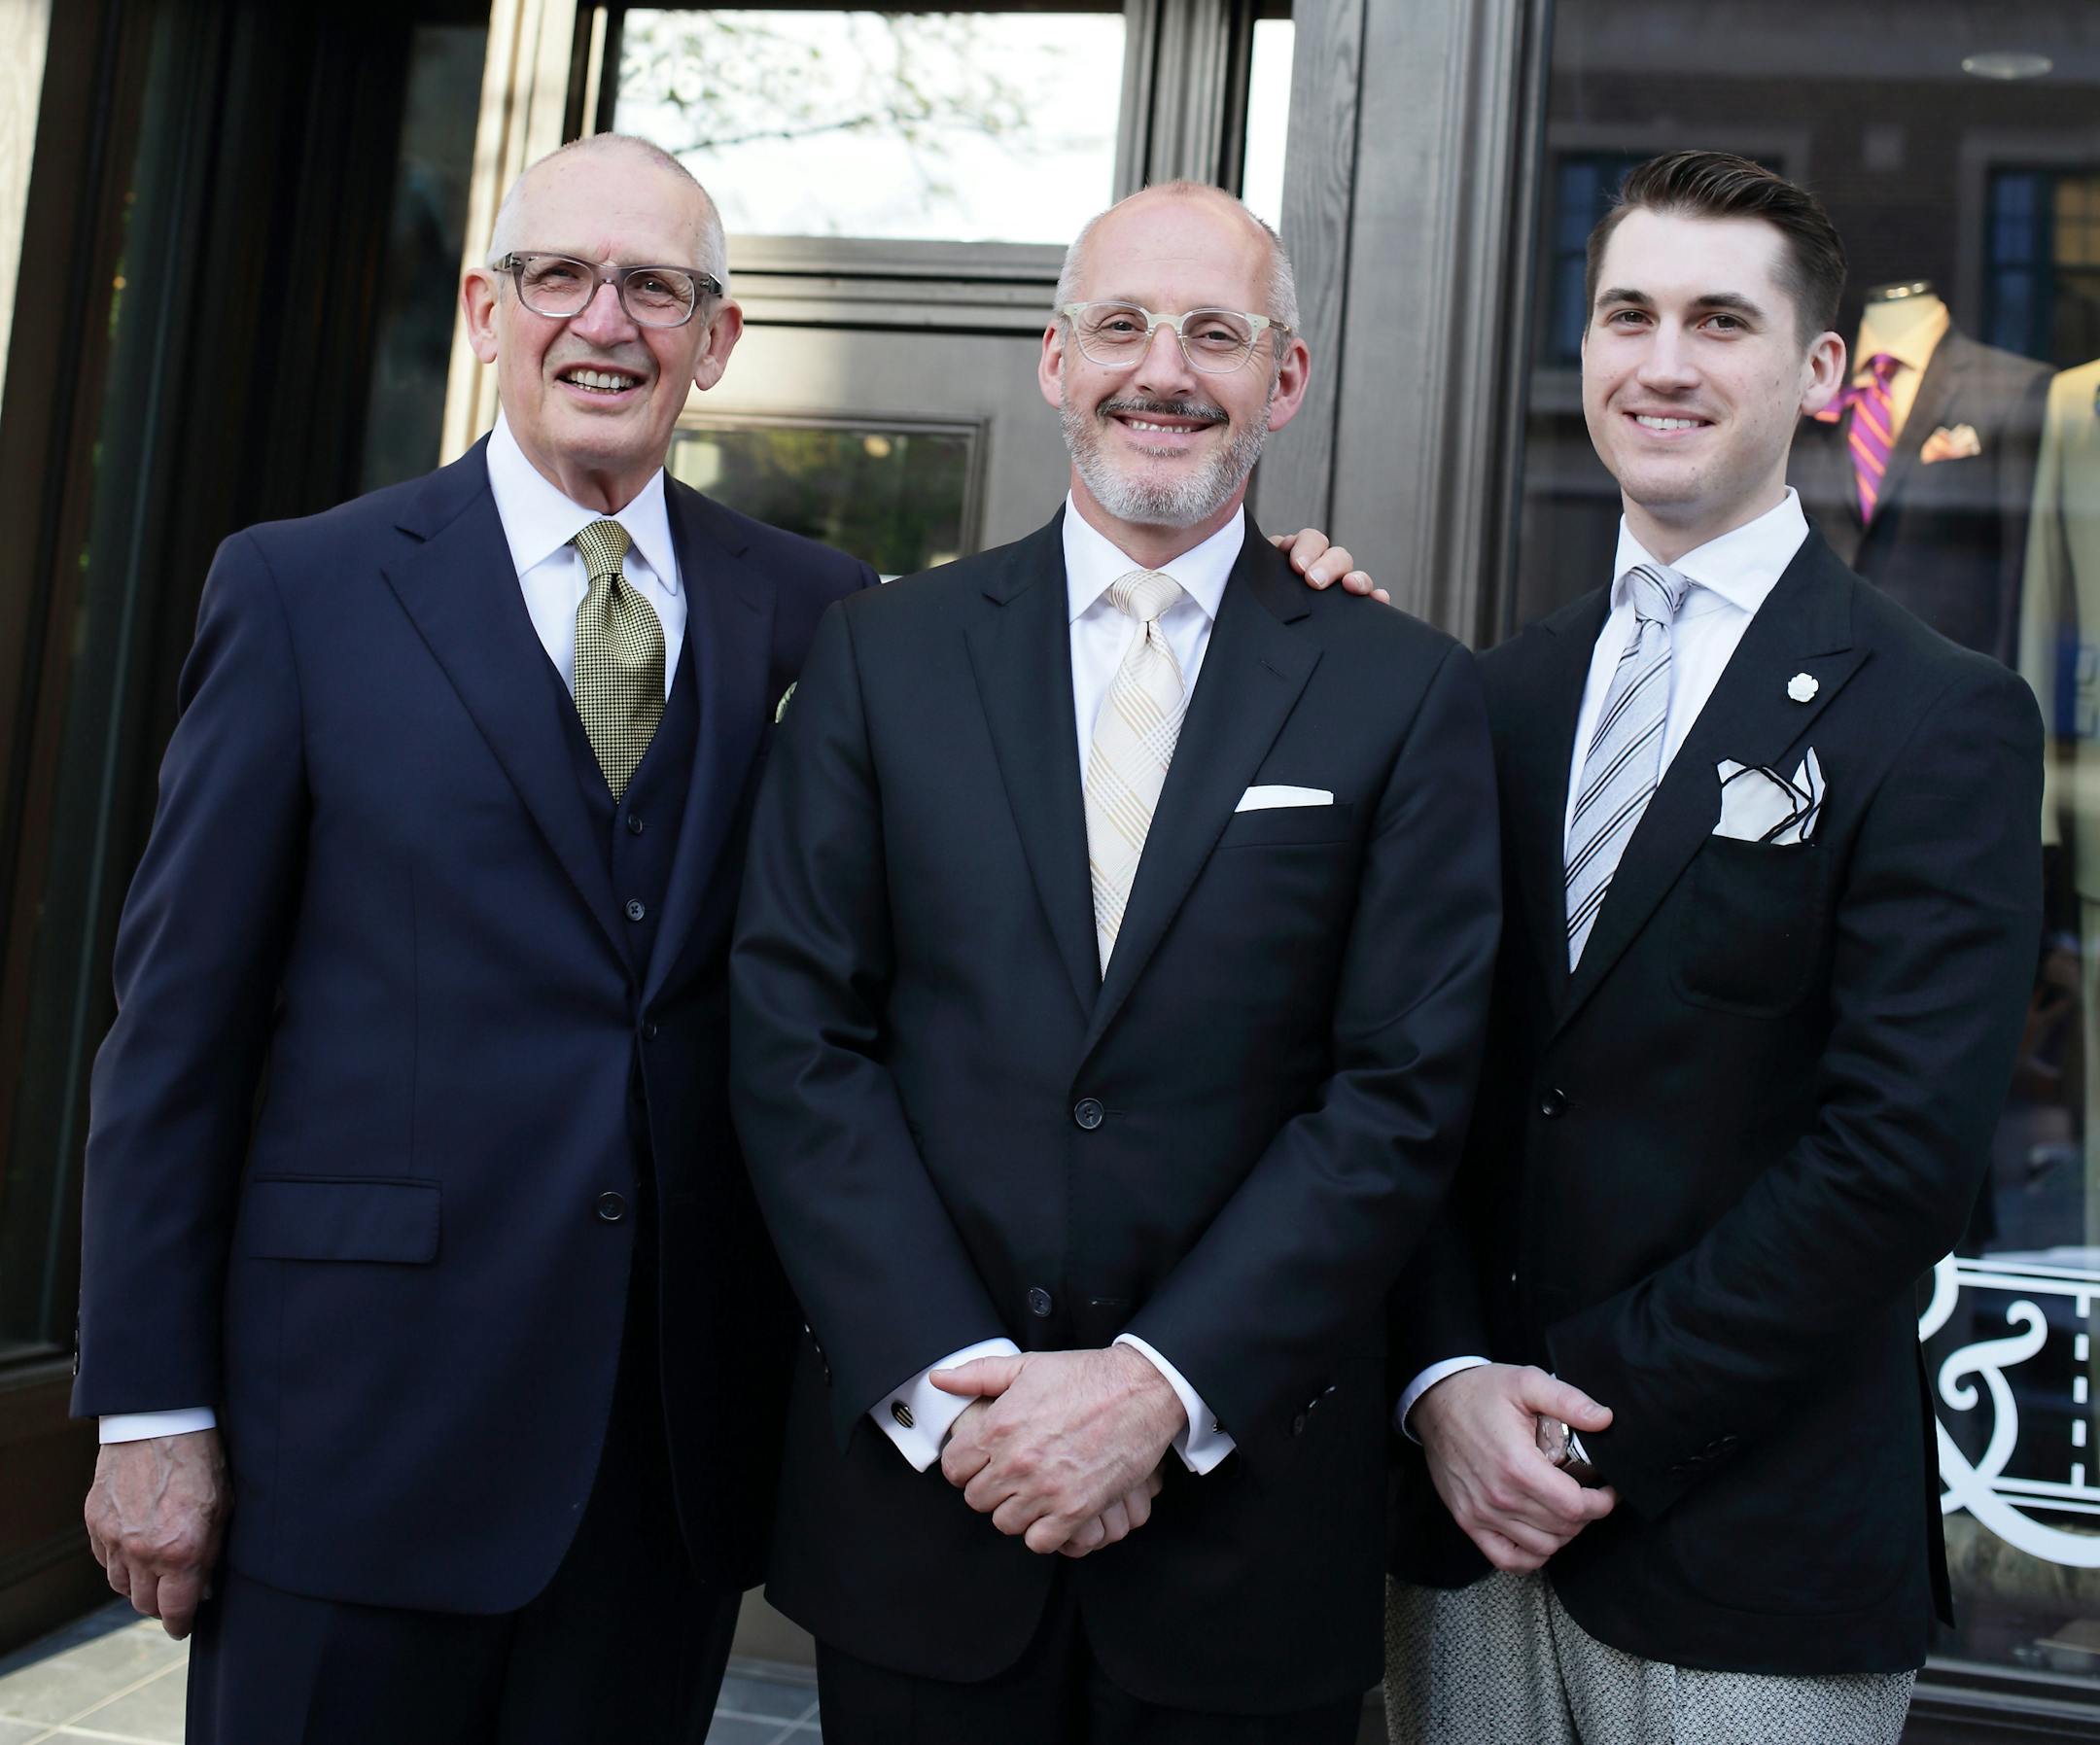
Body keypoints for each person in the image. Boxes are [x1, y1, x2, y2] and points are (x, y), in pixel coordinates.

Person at [72, 135, 1371, 1740]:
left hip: (666, 1460)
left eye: (659, 289)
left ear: (719, 339)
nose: (604, 322)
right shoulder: (301, 591)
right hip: (350, 1438)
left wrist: (1278, 611)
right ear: (487, 309)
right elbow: (175, 1029)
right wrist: (149, 1408)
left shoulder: (818, 612)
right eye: (561, 277)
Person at [728, 179, 1499, 1745]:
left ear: (1281, 381)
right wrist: (953, 1390)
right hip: (928, 1503)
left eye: (1216, 334)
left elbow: (1402, 1091)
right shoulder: (885, 654)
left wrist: (1158, 1387)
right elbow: (796, 1031)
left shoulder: (1402, 689)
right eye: (1124, 325)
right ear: (1054, 360)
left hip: (1246, 1529)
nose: (1166, 369)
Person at [1356, 151, 2042, 1744]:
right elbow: (1412, 1084)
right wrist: (1448, 1385)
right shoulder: (1490, 699)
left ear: (1816, 373)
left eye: (1720, 321)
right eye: (1627, 316)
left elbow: (1897, 1159)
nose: (1664, 363)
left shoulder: (1940, 715)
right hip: (1462, 1522)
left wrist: (1594, 1424)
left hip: (1757, 1553)